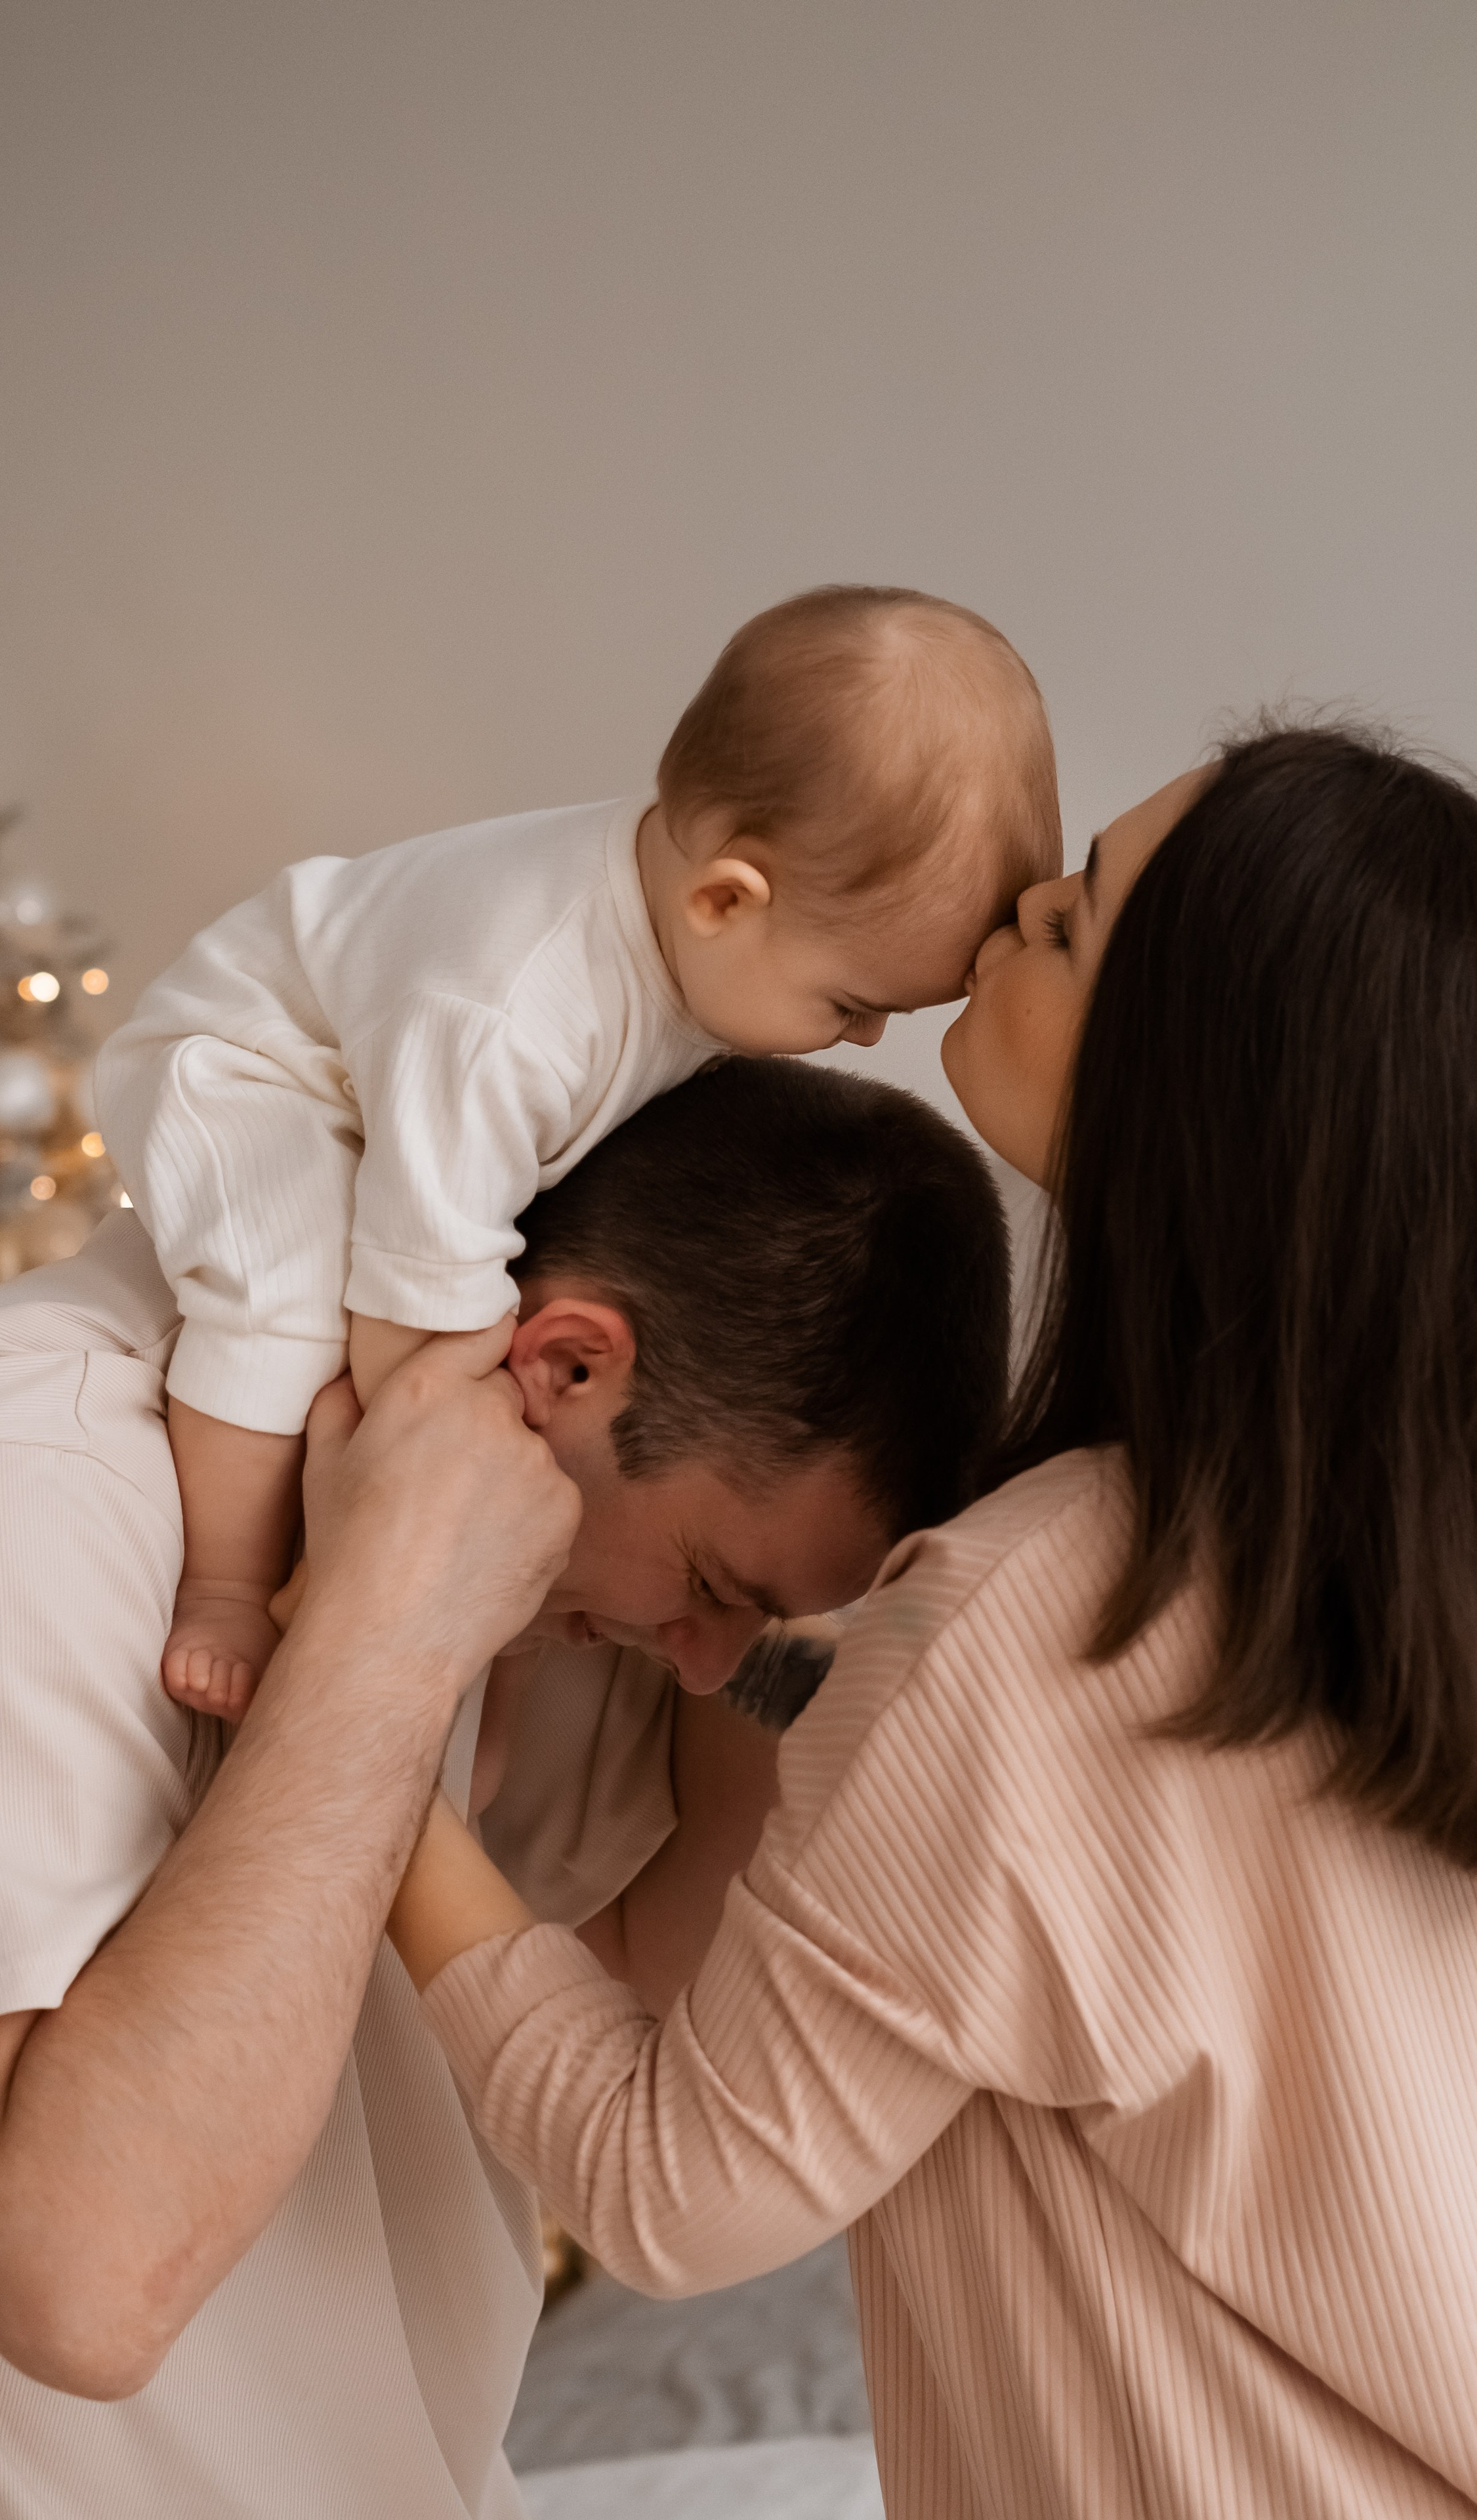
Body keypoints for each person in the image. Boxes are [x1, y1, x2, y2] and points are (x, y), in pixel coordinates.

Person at [389, 724, 1477, 2517]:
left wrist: (356, 1746)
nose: (1020, 907)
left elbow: (667, 2183)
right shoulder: (1376, 1580)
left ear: (1212, 1072)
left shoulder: (1036, 1615)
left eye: (1084, 910)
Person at [0, 1054, 1007, 2519]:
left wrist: (805, 1635)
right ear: (564, 1365)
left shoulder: (556, 1560)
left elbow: (639, 2013)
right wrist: (380, 1625)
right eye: (705, 1584)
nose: (698, 1665)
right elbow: (82, 2289)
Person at [96, 583, 1058, 1714]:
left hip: (369, 1072)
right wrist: (409, 1561)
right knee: (287, 1301)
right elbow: (421, 1318)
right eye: (849, 1003)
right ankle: (224, 1582)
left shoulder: (689, 945)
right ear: (725, 899)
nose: (867, 1038)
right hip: (253, 1069)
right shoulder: (511, 1013)